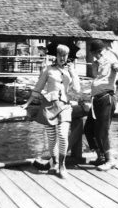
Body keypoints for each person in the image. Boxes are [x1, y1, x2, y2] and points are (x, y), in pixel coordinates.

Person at [23, 44, 81, 178]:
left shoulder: (70, 71)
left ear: (68, 56)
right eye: (60, 54)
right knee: (51, 138)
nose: (62, 57)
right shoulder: (48, 70)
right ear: (56, 55)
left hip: (65, 106)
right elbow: (38, 88)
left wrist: (72, 73)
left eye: (65, 55)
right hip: (48, 107)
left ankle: (62, 165)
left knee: (62, 135)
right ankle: (54, 162)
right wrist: (27, 104)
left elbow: (77, 89)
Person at [84, 39, 118, 171]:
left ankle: (110, 160)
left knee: (102, 131)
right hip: (96, 99)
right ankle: (100, 157)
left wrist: (116, 54)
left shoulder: (111, 62)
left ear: (103, 51)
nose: (98, 55)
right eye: (95, 53)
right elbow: (97, 80)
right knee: (88, 129)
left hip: (106, 99)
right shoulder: (96, 63)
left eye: (99, 52)